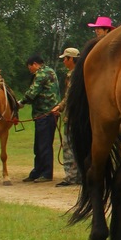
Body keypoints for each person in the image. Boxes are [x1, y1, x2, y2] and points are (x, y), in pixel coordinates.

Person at [18, 54, 60, 182]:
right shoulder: (50, 71)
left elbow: (32, 92)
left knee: (44, 144)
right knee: (40, 144)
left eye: (30, 67)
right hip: (46, 114)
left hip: (45, 114)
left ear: (35, 64)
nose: (30, 70)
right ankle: (37, 171)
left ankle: (46, 173)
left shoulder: (41, 74)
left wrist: (21, 102)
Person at [50, 47, 82, 187]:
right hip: (77, 116)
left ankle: (71, 177)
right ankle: (79, 176)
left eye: (65, 58)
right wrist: (60, 106)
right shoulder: (79, 74)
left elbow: (70, 97)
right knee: (79, 147)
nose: (63, 61)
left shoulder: (74, 76)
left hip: (72, 118)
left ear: (71, 59)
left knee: (69, 147)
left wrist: (61, 107)